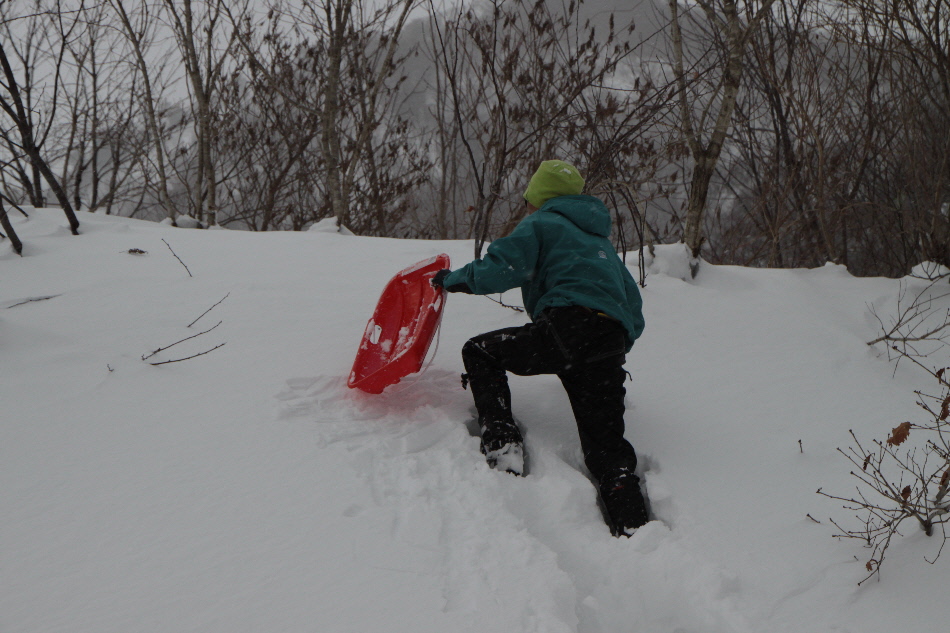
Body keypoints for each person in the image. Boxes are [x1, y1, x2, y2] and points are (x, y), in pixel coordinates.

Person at [431, 160, 649, 536]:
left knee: (481, 351)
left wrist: (452, 280)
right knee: (606, 446)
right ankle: (634, 525)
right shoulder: (600, 244)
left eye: (529, 198)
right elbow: (633, 306)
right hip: (609, 342)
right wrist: (612, 349)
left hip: (567, 327)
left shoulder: (542, 223)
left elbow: (501, 267)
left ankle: (503, 445)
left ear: (539, 196)